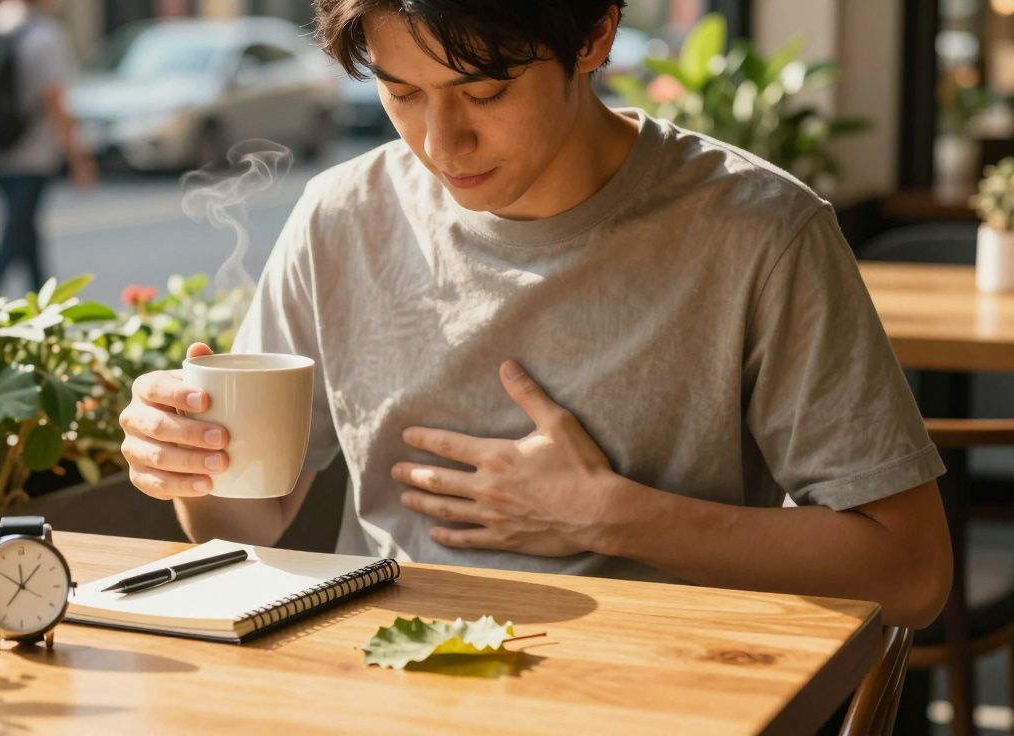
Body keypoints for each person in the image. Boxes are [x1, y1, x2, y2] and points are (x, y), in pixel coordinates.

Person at [120, 0, 952, 634]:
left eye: (484, 91)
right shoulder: (342, 217)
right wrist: (190, 462)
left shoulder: (757, 232)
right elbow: (246, 522)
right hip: (385, 678)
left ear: (594, 35)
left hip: (660, 689)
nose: (441, 144)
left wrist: (615, 517)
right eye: (401, 92)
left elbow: (913, 574)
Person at [0, 0, 96, 291]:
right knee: (16, 235)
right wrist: (78, 156)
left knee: (24, 229)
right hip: (33, 155)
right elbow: (55, 101)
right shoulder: (45, 35)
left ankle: (42, 299)